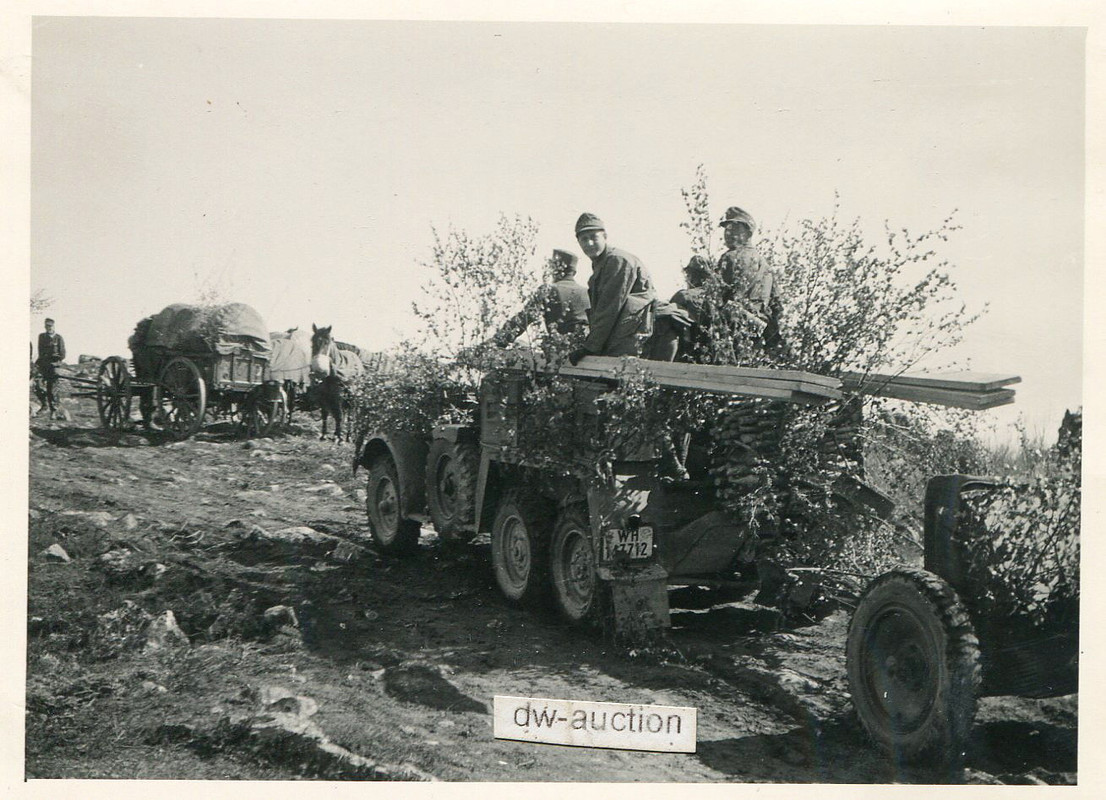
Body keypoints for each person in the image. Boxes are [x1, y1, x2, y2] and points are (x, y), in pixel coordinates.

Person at [569, 213, 658, 365]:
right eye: (584, 239)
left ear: (605, 237)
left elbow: (609, 307)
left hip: (629, 339)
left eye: (593, 237)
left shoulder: (617, 261)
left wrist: (590, 347)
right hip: (620, 336)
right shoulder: (602, 263)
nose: (589, 243)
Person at [491, 249, 591, 347]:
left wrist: (497, 341)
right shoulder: (588, 292)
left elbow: (523, 319)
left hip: (562, 349)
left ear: (554, 268)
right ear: (574, 272)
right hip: (589, 348)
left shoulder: (548, 290)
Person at [36, 318, 66, 418]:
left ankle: (54, 410)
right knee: (38, 385)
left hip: (54, 365)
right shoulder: (41, 337)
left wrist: (57, 360)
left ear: (53, 326)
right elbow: (40, 351)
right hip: (44, 364)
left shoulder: (58, 338)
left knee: (52, 388)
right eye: (46, 326)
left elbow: (62, 353)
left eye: (50, 326)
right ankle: (44, 406)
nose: (48, 328)